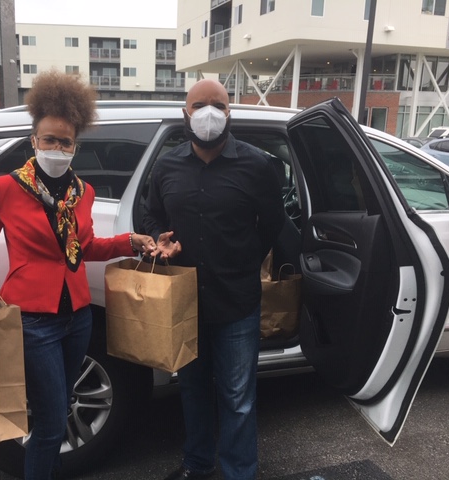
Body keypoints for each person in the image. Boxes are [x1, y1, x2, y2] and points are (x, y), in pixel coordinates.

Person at [0, 70, 156, 480]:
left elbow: (84, 248)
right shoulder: (6, 188)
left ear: (75, 146)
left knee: (60, 407)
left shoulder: (82, 193)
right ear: (34, 140)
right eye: (49, 139)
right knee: (51, 420)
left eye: (65, 142)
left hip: (78, 317)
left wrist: (130, 241)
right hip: (33, 321)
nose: (57, 148)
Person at [144, 79, 286, 480]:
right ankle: (198, 462)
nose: (209, 112)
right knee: (192, 388)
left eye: (218, 105)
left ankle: (240, 472)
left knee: (238, 396)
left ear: (229, 113)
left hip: (237, 300)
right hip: (185, 300)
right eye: (199, 105)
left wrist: (243, 260)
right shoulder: (167, 166)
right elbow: (151, 215)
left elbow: (272, 224)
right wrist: (159, 239)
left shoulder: (257, 166)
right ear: (185, 114)